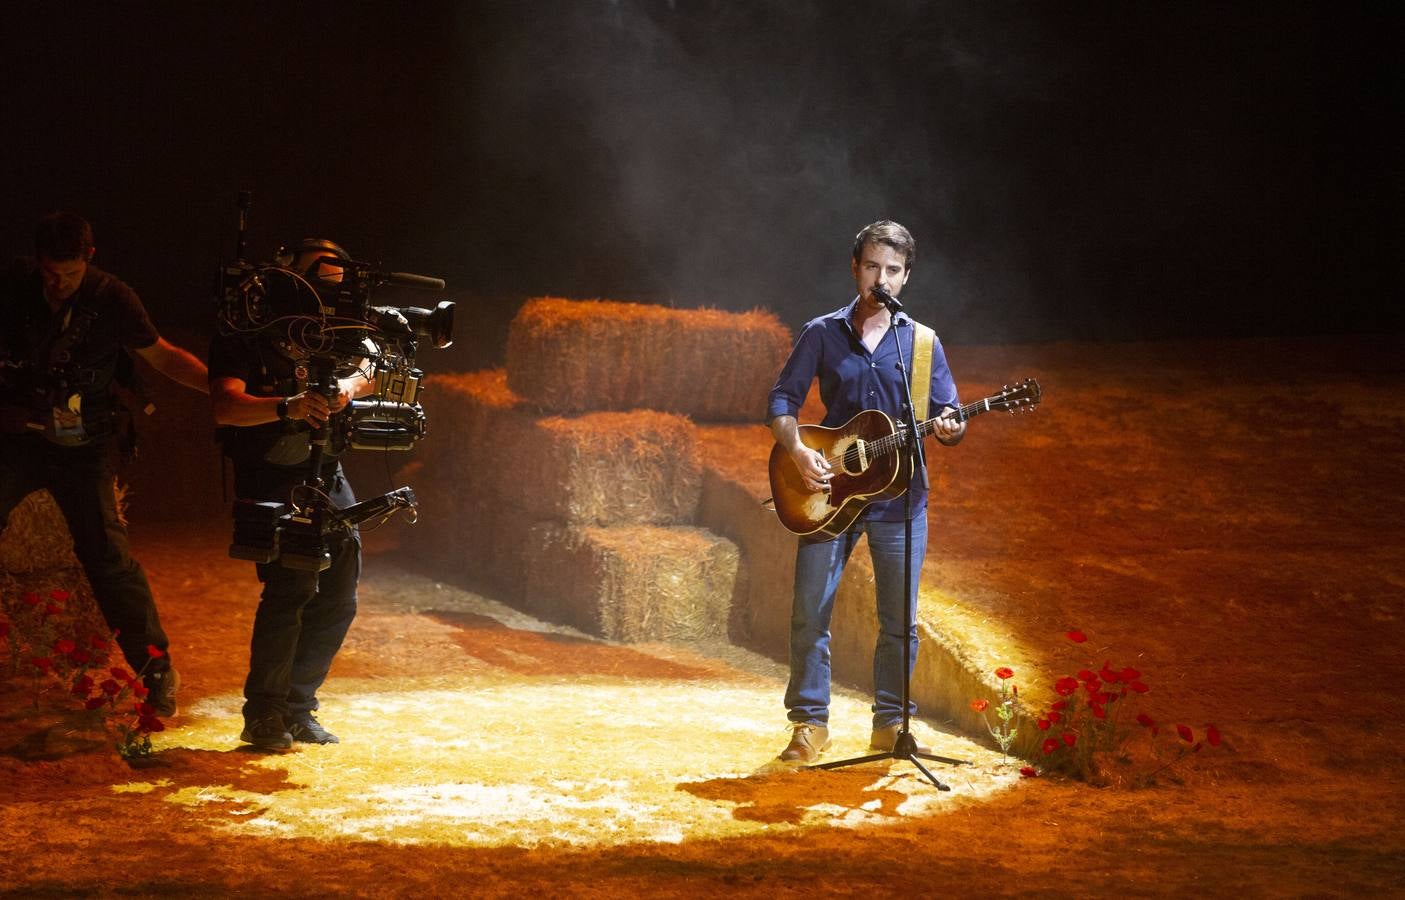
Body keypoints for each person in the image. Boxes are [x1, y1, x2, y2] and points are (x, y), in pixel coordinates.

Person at [766, 220, 965, 763]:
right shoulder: (822, 332)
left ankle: (892, 724)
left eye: (893, 271)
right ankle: (809, 725)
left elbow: (948, 412)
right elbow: (782, 401)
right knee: (811, 611)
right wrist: (798, 451)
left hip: (901, 499)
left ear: (906, 278)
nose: (882, 279)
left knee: (899, 620)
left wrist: (951, 426)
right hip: (831, 492)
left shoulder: (921, 343)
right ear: (856, 268)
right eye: (873, 267)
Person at [0, 211, 209, 715]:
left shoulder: (113, 298)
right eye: (50, 272)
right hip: (17, 437)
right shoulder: (14, 285)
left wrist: (224, 389)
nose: (58, 284)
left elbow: (162, 356)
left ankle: (155, 669)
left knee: (108, 559)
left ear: (89, 258)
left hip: (82, 444)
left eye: (68, 275)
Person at [209, 238, 375, 751]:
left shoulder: (338, 330)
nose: (328, 297)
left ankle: (298, 708)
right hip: (271, 472)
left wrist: (346, 386)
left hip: (326, 469)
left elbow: (370, 365)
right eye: (318, 282)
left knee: (340, 593)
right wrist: (289, 406)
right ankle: (263, 715)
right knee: (291, 591)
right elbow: (226, 406)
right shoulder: (245, 329)